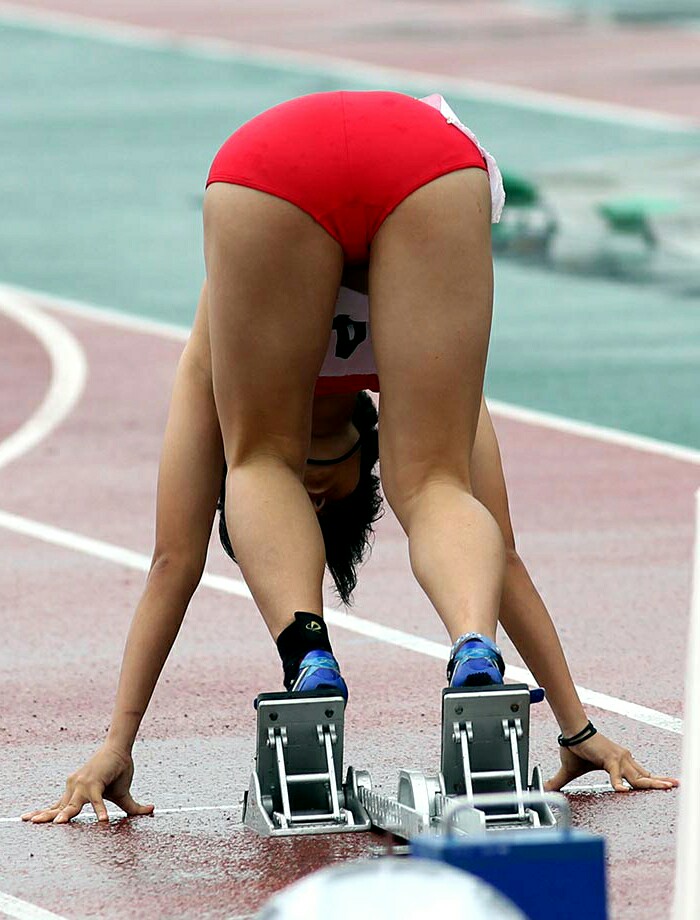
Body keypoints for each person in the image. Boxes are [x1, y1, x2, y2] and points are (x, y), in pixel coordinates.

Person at [21, 91, 677, 826]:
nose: (306, 494)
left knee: (264, 461)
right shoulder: (390, 391)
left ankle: (331, 655)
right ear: (360, 466)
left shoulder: (226, 368)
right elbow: (176, 560)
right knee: (433, 483)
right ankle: (441, 651)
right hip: (420, 160)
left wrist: (577, 725)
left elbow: (504, 558)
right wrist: (117, 740)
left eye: (302, 505)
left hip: (277, 167)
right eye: (322, 502)